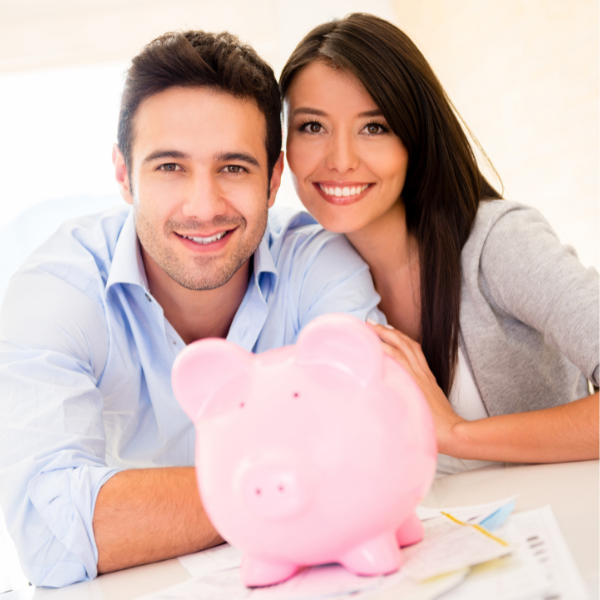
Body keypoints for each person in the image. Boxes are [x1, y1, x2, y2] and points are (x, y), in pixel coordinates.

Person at [0, 30, 383, 588]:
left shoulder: (318, 265)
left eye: (233, 168)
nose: (204, 207)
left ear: (274, 179)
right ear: (123, 174)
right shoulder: (55, 292)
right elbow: (53, 537)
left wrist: (149, 513)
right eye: (170, 167)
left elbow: (376, 449)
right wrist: (292, 486)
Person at [280, 13, 599, 475]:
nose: (341, 161)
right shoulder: (306, 268)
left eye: (375, 127)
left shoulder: (499, 244)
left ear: (416, 137)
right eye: (312, 127)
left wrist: (455, 433)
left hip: (552, 533)